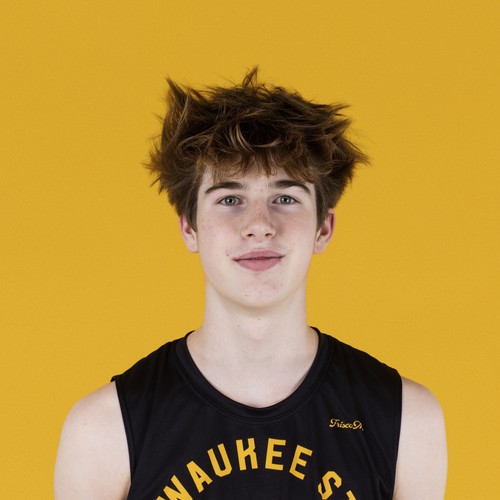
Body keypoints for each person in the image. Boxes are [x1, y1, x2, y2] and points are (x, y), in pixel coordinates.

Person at [54, 68, 447, 499]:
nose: (259, 225)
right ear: (189, 228)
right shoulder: (103, 428)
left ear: (323, 228)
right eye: (229, 199)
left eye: (285, 198)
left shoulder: (407, 419)